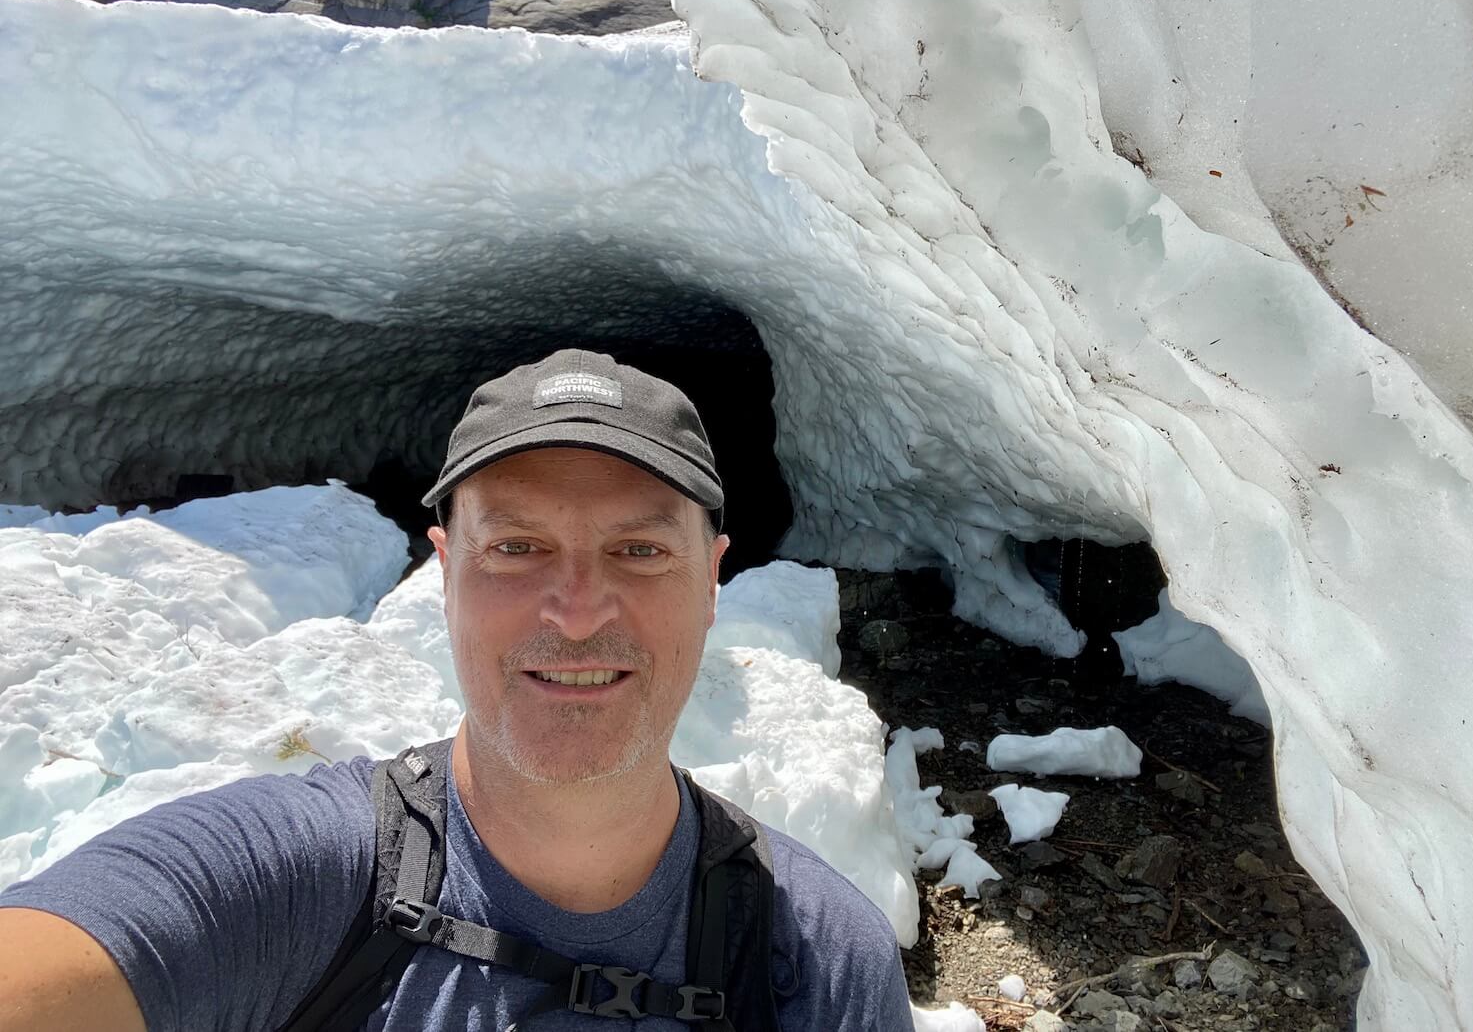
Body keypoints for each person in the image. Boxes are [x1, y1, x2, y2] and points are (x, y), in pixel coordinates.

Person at [0, 348, 916, 1031]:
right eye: (517, 547)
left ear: (712, 581)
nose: (575, 610)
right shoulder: (293, 881)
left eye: (638, 550)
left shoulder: (819, 963)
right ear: (445, 572)